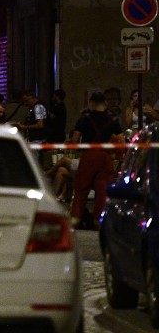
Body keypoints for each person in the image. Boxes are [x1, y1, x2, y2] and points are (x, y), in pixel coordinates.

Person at [69, 91, 124, 229]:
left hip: (87, 157)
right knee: (102, 190)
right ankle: (98, 221)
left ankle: (75, 219)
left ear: (91, 103)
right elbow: (121, 141)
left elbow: (75, 141)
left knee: (81, 189)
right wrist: (118, 155)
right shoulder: (113, 120)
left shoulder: (83, 119)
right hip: (104, 158)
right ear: (105, 104)